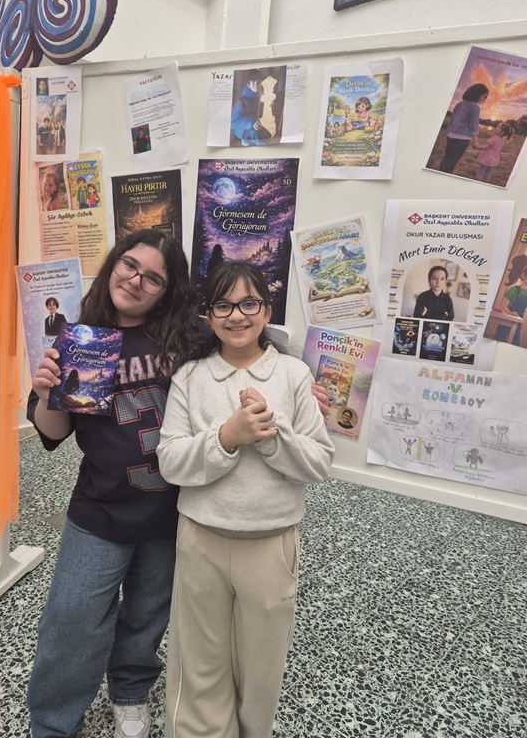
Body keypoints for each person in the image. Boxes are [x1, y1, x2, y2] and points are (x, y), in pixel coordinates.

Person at [26, 230, 211, 738]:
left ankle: (130, 691)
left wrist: (298, 381)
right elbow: (53, 433)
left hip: (173, 511)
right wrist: (45, 393)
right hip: (101, 508)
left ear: (167, 292)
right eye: (130, 265)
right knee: (72, 620)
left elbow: (249, 347)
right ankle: (53, 721)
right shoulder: (81, 339)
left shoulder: (189, 338)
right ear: (113, 264)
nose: (135, 280)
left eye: (153, 278)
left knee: (147, 616)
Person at [156, 261, 335, 738]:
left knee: (262, 663)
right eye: (223, 305)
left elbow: (319, 462)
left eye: (249, 303)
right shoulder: (190, 377)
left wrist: (271, 434)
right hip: (201, 539)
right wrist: (227, 437)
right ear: (208, 316)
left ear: (268, 311)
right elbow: (170, 461)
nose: (237, 315)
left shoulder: (294, 374)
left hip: (271, 543)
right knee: (199, 660)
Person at [438, 83, 489, 174]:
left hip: (451, 136)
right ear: (478, 93)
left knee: (447, 157)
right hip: (462, 138)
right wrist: (476, 142)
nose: (484, 99)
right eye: (484, 96)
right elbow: (473, 125)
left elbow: (453, 118)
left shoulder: (460, 104)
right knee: (452, 161)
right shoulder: (475, 107)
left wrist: (449, 131)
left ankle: (439, 174)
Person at [230, 69, 272, 146]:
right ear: (248, 85)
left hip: (253, 124)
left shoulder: (258, 94)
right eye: (253, 83)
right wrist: (251, 122)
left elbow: (257, 105)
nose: (256, 86)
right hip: (240, 129)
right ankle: (245, 138)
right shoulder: (241, 102)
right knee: (262, 143)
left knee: (268, 136)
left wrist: (268, 103)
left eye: (258, 82)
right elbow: (233, 123)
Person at [498, 256, 527, 346]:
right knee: (499, 339)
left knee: (516, 343)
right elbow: (502, 303)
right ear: (523, 276)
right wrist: (509, 313)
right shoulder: (514, 290)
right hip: (508, 319)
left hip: (519, 321)